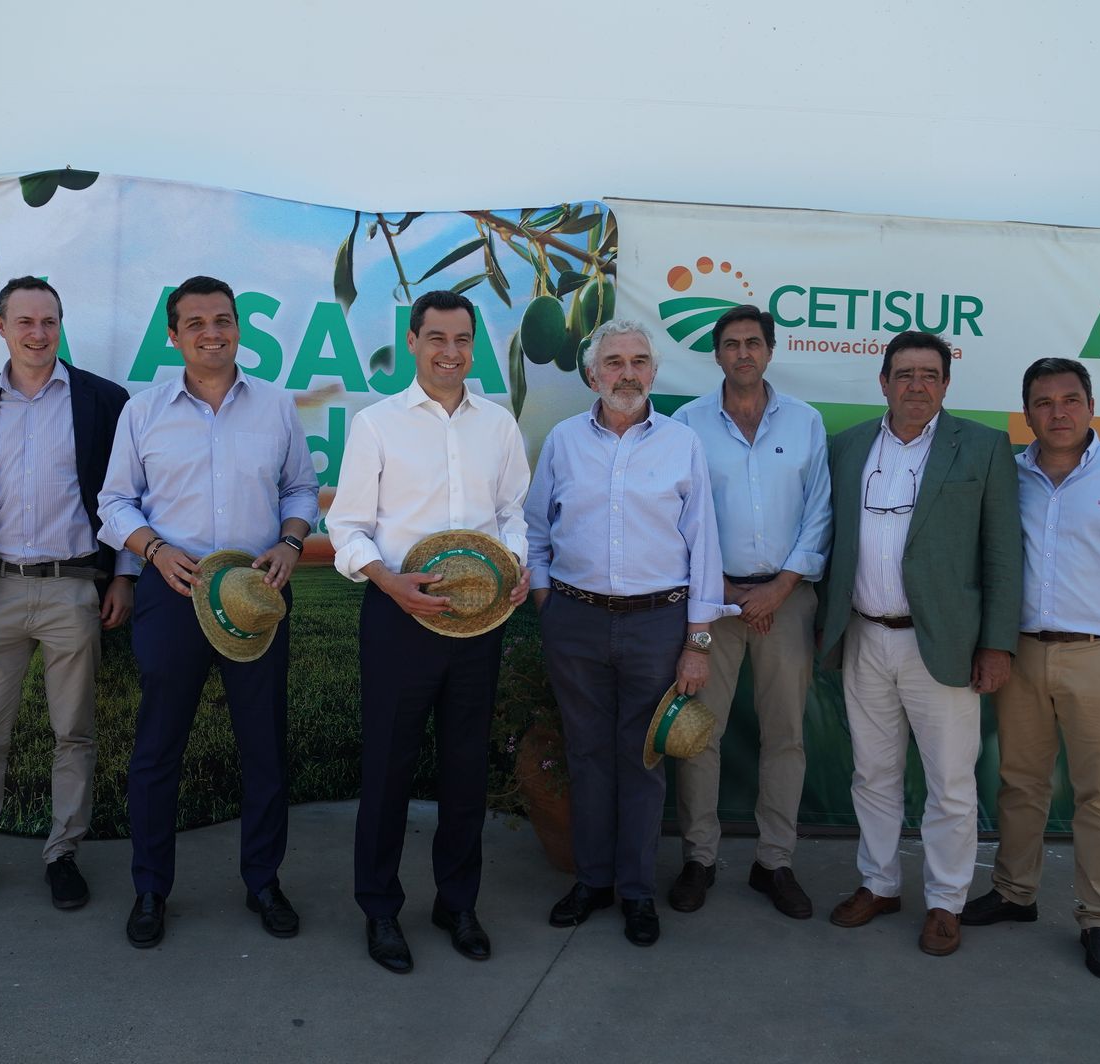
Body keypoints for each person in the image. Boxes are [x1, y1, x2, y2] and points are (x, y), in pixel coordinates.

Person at [98, 275, 317, 949]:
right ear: (173, 335)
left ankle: (263, 882)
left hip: (256, 592)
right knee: (159, 748)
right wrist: (154, 552)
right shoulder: (143, 412)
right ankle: (150, 889)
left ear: (238, 329)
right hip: (174, 589)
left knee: (263, 747)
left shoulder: (276, 407)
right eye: (195, 323)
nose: (212, 332)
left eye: (223, 320)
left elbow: (302, 488)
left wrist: (290, 541)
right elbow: (114, 503)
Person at [962, 358, 1100, 981]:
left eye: (1069, 399)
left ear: (1090, 405)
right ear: (1026, 412)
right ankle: (1014, 893)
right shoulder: (1008, 477)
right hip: (1023, 652)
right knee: (1020, 782)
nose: (1057, 412)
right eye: (1043, 402)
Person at [326, 289, 531, 974]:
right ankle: (379, 908)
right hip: (398, 618)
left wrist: (517, 564)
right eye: (436, 337)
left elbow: (512, 514)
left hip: (480, 620)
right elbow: (347, 527)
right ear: (413, 342)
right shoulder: (378, 425)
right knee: (387, 768)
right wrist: (386, 580)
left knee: (466, 767)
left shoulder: (497, 425)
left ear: (475, 346)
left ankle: (457, 901)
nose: (450, 352)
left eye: (463, 339)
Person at [0, 277, 133, 918]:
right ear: (0, 326)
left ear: (60, 325)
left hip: (73, 588)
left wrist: (121, 574)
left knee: (74, 732)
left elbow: (124, 493)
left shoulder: (103, 399)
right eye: (25, 322)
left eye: (49, 321)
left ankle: (62, 853)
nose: (38, 334)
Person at [816, 330, 1021, 956]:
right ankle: (878, 884)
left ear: (946, 384)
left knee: (951, 783)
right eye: (903, 374)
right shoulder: (847, 448)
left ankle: (946, 901)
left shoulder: (982, 448)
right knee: (872, 775)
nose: (916, 386)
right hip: (864, 637)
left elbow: (1003, 555)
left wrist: (996, 646)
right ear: (882, 383)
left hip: (946, 646)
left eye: (929, 375)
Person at [527, 319, 728, 948]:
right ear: (592, 374)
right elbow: (535, 527)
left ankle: (637, 891)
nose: (628, 373)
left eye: (640, 361)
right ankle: (592, 882)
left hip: (657, 623)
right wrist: (543, 598)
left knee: (642, 764)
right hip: (576, 620)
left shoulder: (681, 443)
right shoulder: (563, 441)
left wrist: (697, 643)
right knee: (586, 756)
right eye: (614, 362)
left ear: (655, 373)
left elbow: (703, 546)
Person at [670, 305, 832, 918]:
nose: (743, 353)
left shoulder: (806, 422)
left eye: (754, 343)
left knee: (785, 735)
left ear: (770, 351)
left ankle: (775, 862)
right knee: (697, 732)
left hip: (786, 601)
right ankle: (699, 858)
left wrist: (780, 587)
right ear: (716, 355)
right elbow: (683, 517)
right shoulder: (687, 424)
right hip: (711, 604)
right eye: (732, 344)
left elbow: (820, 511)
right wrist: (728, 591)